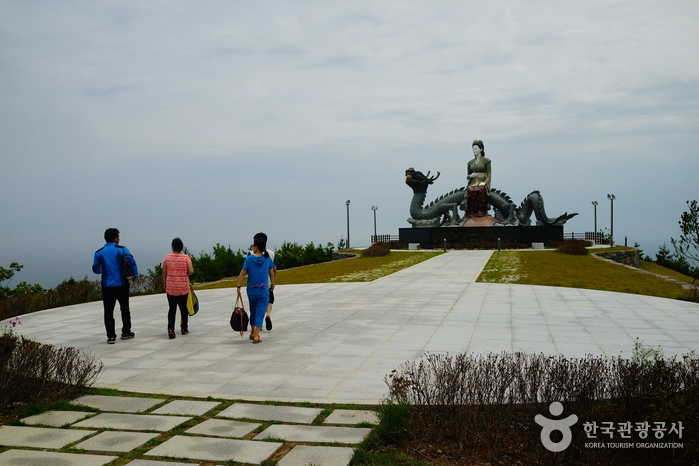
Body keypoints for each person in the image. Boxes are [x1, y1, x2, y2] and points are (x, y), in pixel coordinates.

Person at [92, 228, 139, 344]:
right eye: (118, 237)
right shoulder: (122, 249)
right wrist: (135, 276)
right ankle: (126, 332)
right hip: (121, 284)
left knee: (108, 311)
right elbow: (132, 262)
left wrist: (103, 271)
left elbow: (94, 268)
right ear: (115, 238)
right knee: (125, 308)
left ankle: (111, 336)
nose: (119, 239)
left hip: (106, 286)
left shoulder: (99, 252)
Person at [236, 235, 275, 343]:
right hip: (263, 290)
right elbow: (272, 273)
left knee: (253, 310)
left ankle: (253, 332)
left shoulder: (249, 259)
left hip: (252, 290)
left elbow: (243, 272)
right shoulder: (267, 259)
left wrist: (238, 286)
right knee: (260, 311)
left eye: (253, 245)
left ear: (256, 247)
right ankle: (257, 335)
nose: (252, 247)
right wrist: (273, 284)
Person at [163, 237, 194, 339]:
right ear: (181, 248)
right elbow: (191, 270)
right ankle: (184, 328)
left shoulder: (167, 257)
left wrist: (165, 283)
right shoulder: (186, 258)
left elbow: (164, 272)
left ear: (172, 247)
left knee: (172, 308)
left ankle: (171, 330)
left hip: (171, 287)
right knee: (183, 308)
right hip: (183, 287)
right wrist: (185, 274)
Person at [252, 232, 278, 331]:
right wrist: (273, 282)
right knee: (269, 300)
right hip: (267, 282)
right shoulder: (271, 253)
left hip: (254, 284)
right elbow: (274, 270)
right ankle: (268, 314)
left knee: (257, 303)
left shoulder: (251, 254)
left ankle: (258, 323)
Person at [465, 139, 492, 218]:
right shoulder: (470, 163)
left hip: (482, 181)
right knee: (471, 189)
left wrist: (485, 182)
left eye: (476, 149)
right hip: (473, 182)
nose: (474, 151)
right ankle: (471, 211)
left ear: (481, 149)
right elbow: (467, 176)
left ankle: (481, 211)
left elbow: (489, 175)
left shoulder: (486, 161)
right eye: (473, 149)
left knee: (481, 189)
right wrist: (471, 176)